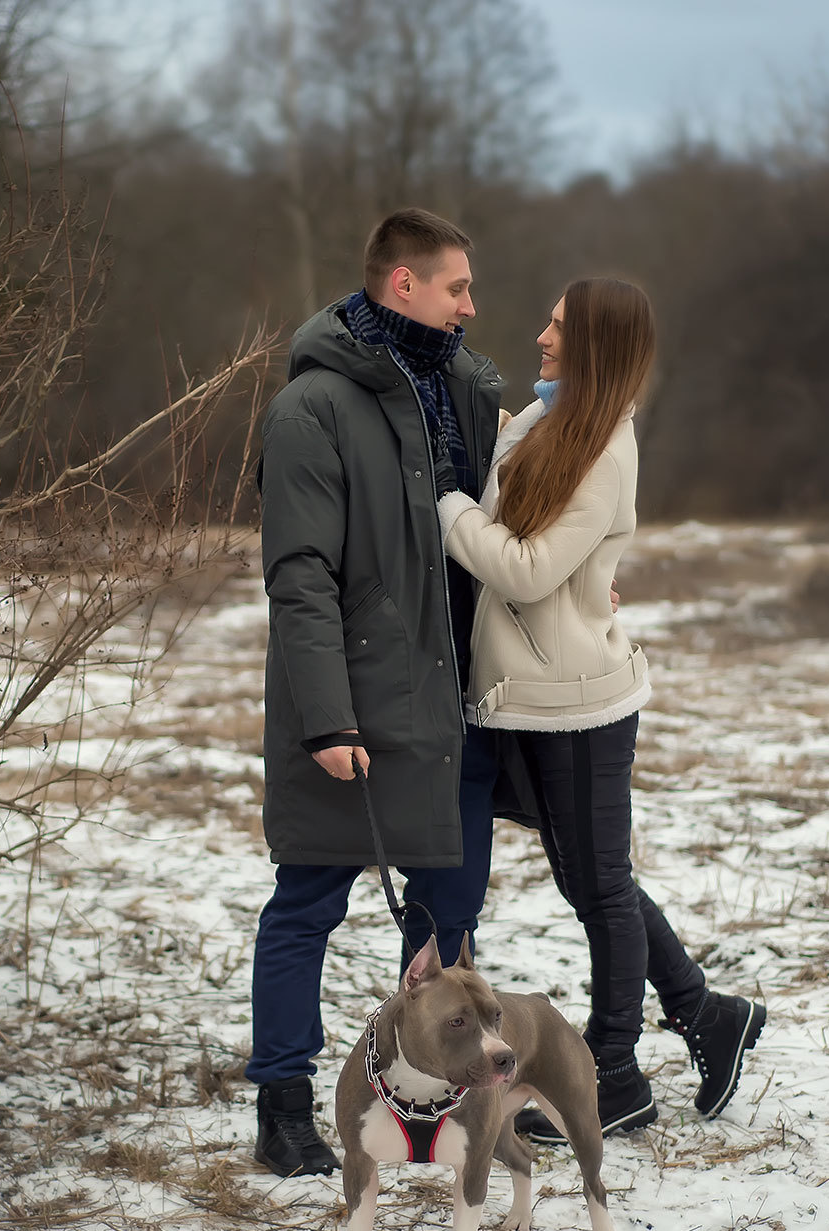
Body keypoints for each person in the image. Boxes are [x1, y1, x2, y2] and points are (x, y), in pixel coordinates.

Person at [436, 278, 767, 1137]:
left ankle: (613, 1072)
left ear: (594, 346)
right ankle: (707, 1014)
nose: (540, 336)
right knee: (593, 878)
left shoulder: (605, 447)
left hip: (579, 705)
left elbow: (525, 568)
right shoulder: (550, 418)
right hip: (538, 696)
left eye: (557, 327)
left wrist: (448, 509)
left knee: (601, 888)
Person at [249, 209, 506, 1176]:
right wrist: (326, 715)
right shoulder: (312, 409)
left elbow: (510, 520)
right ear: (404, 284)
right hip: (350, 706)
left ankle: (450, 1104)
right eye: (458, 289)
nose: (473, 308)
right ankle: (283, 1107)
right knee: (308, 898)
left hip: (451, 704)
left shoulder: (464, 391)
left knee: (449, 915)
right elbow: (300, 574)